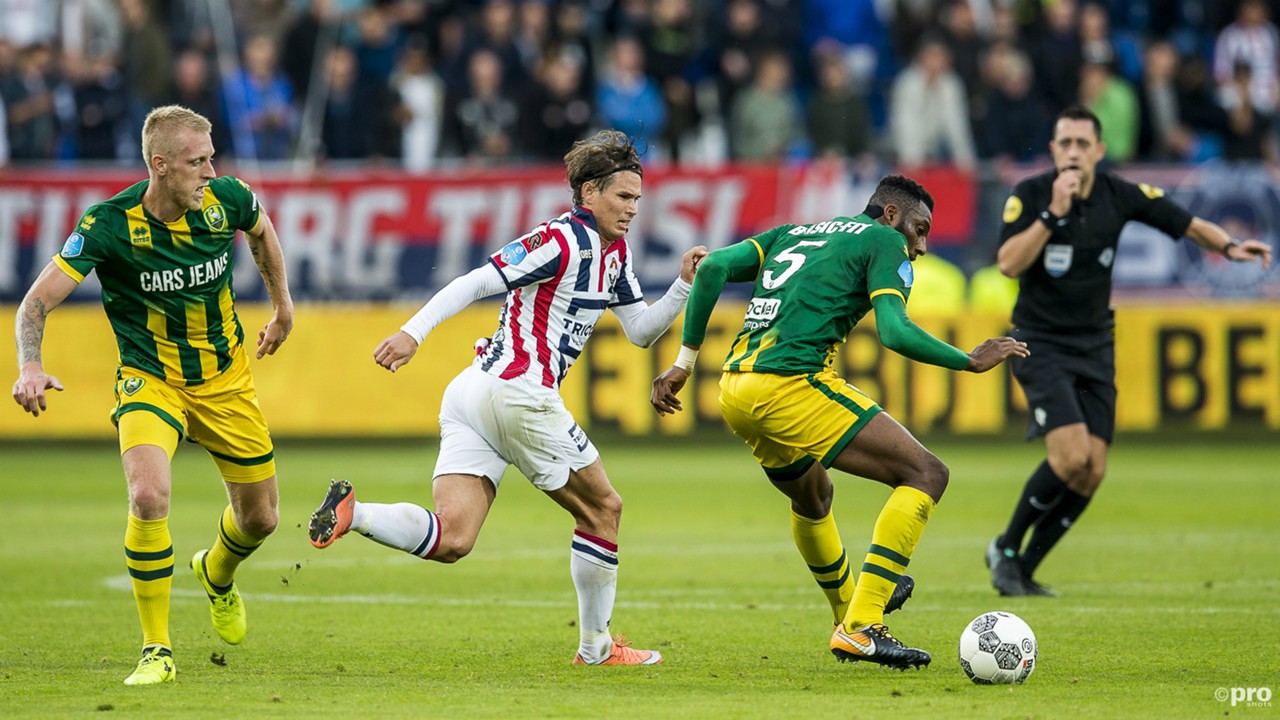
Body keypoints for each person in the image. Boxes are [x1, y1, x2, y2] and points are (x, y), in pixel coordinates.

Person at [307, 130, 706, 667]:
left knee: (453, 538)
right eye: (623, 197)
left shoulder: (615, 254)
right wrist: (412, 333)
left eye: (637, 199)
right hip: (519, 393)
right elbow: (476, 282)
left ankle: (354, 514)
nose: (633, 209)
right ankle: (596, 650)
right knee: (604, 509)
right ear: (589, 193)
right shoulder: (560, 240)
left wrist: (682, 285)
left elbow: (639, 330)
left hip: (473, 395)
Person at [650, 175, 1029, 669]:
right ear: (891, 215)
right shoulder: (884, 240)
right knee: (927, 474)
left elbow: (714, 267)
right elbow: (893, 331)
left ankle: (846, 616)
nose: (920, 246)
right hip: (792, 383)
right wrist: (968, 360)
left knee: (813, 495)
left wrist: (683, 362)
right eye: (919, 229)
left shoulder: (794, 232)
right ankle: (862, 625)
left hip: (736, 389)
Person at [11, 105, 295, 685]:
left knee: (262, 520)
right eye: (198, 161)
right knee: (147, 496)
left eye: (212, 157)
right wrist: (30, 365)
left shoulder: (227, 200)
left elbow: (262, 231)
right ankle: (156, 650)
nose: (211, 171)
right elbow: (35, 302)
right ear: (161, 167)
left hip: (224, 381)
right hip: (150, 380)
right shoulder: (107, 225)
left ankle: (216, 573)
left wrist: (282, 306)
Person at [985, 105, 1272, 597]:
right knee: (1071, 454)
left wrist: (1228, 246)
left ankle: (1026, 567)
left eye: (1082, 144)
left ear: (1099, 150)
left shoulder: (1120, 195)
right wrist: (1053, 213)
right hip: (1039, 344)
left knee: (1092, 469)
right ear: (1053, 150)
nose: (1073, 152)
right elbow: (1009, 264)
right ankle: (1006, 550)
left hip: (1095, 343)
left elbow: (1184, 222)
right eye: (1064, 144)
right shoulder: (1031, 195)